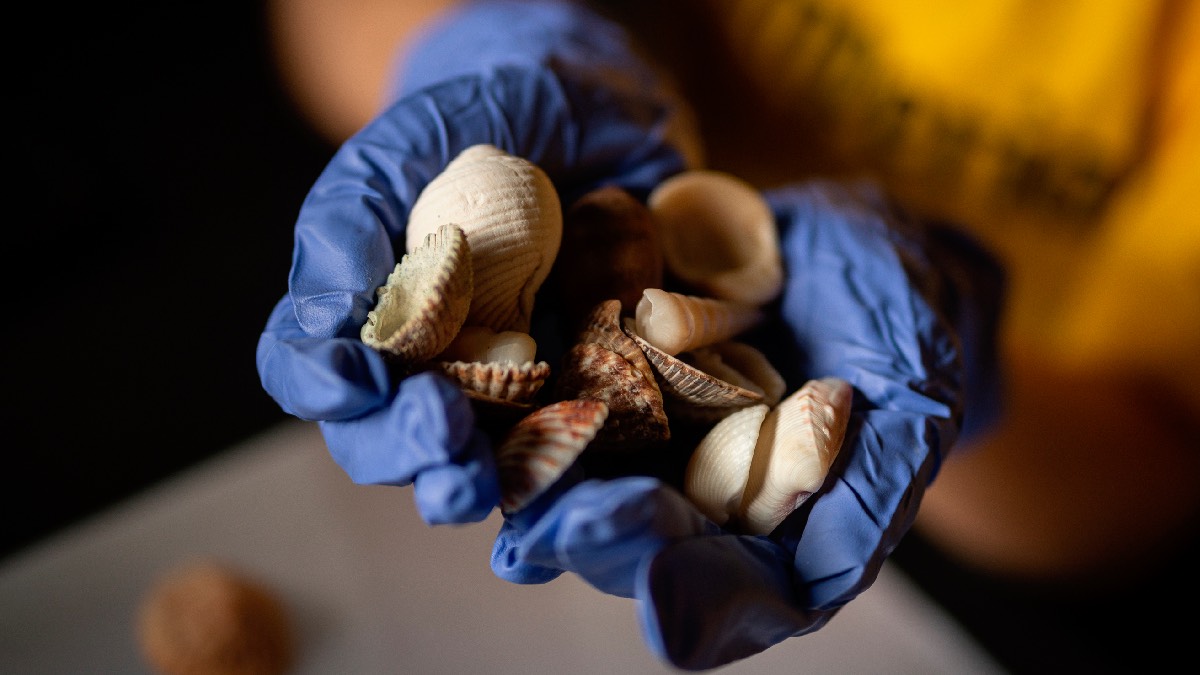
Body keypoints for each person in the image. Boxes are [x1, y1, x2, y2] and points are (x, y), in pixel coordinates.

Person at [258, 0, 1200, 669]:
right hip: (637, 184)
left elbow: (1148, 487)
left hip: (985, 497)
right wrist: (497, 48)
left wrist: (967, 359)